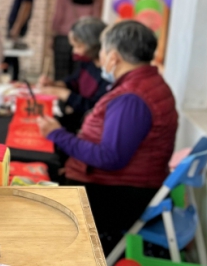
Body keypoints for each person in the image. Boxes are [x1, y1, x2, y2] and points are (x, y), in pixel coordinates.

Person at [38, 21, 178, 255]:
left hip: (119, 195)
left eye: (101, 50)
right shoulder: (146, 83)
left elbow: (111, 157)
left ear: (113, 56)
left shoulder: (132, 98)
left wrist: (57, 134)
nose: (100, 57)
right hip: (121, 184)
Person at [38, 17, 109, 133]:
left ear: (93, 45)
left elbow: (92, 107)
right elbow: (73, 82)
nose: (74, 51)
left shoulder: (108, 75)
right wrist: (54, 84)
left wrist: (59, 92)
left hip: (87, 127)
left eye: (78, 46)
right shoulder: (88, 62)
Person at [51, 0, 101, 80]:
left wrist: (53, 35)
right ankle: (74, 96)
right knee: (79, 73)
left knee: (61, 72)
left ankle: (60, 95)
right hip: (84, 42)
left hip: (63, 38)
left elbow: (57, 18)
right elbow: (95, 22)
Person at [5, 0, 35, 81]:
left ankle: (13, 79)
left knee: (12, 55)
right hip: (13, 24)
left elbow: (26, 7)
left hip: (17, 26)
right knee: (12, 55)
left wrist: (16, 27)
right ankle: (11, 78)